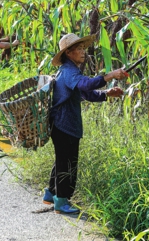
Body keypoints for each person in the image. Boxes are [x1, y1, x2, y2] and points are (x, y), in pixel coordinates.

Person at [43, 33, 129, 214]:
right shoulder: (68, 71)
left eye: (83, 48)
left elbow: (85, 93)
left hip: (63, 124)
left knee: (62, 160)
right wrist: (109, 75)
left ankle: (50, 194)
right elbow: (84, 85)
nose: (83, 52)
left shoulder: (69, 70)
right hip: (64, 124)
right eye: (79, 49)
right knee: (67, 163)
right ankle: (61, 202)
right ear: (68, 53)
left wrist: (107, 94)